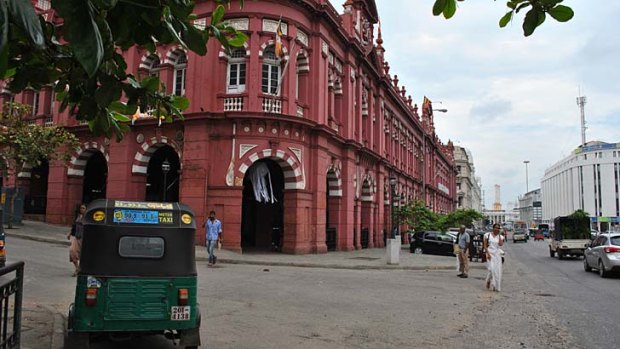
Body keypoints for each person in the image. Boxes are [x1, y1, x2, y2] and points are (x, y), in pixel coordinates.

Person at [484, 223, 505, 291]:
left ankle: (495, 285)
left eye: (498, 228)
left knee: (497, 270)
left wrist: (499, 235)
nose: (497, 229)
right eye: (495, 227)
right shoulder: (487, 235)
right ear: (493, 228)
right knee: (491, 269)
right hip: (489, 253)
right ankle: (488, 280)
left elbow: (500, 244)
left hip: (497, 254)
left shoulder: (501, 237)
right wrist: (488, 254)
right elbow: (485, 245)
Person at [66, 204, 86, 277]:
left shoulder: (87, 217)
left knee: (82, 255)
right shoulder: (78, 216)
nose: (82, 209)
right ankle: (77, 268)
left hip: (84, 238)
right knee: (72, 251)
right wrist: (70, 233)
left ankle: (80, 270)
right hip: (77, 238)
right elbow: (74, 226)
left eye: (83, 208)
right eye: (81, 208)